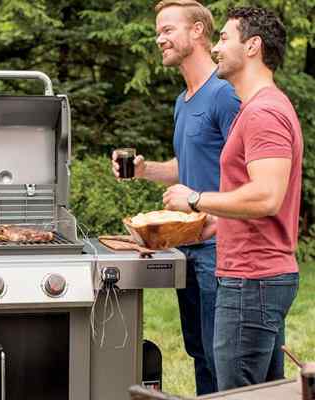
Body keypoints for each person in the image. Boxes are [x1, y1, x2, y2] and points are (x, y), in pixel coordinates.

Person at [163, 6, 303, 391]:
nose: (217, 47)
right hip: (253, 277)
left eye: (224, 38)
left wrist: (196, 199)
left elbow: (267, 196)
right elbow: (256, 197)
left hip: (252, 280)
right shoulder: (255, 109)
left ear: (253, 46)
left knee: (235, 394)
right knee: (266, 392)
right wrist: (218, 221)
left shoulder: (264, 112)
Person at [113, 0, 240, 395]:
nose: (159, 38)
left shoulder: (224, 95)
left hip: (221, 249)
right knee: (200, 352)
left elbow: (248, 168)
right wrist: (146, 169)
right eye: (158, 30)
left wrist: (215, 213)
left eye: (168, 29)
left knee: (223, 359)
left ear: (198, 32)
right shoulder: (183, 101)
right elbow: (190, 166)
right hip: (188, 246)